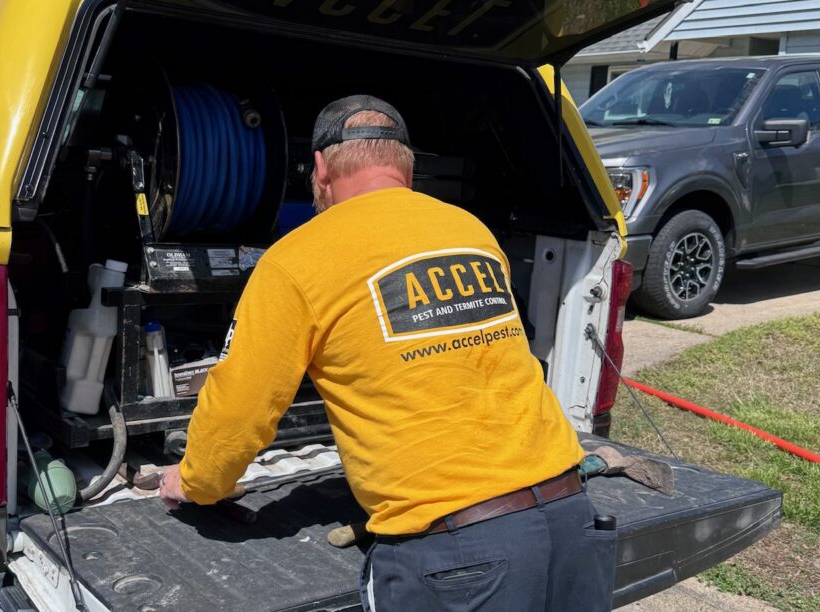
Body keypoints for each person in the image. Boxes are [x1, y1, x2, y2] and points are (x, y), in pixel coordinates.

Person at [159, 95, 617, 611]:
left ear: (320, 169)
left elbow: (239, 411)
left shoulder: (296, 259)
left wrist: (195, 481)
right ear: (406, 166)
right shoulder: (472, 232)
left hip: (457, 559)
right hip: (572, 518)